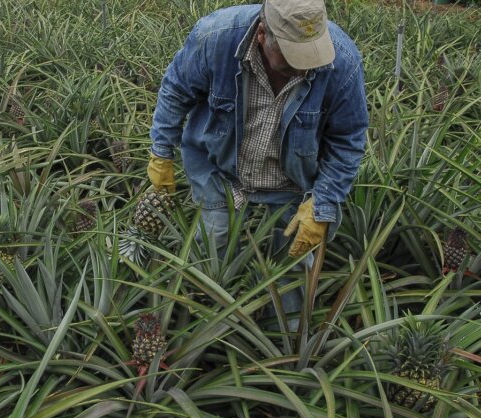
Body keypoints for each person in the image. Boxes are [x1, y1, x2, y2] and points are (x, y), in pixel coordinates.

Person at [147, 0, 369, 326]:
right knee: (212, 255)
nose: (306, 68)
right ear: (263, 34)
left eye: (311, 56)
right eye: (294, 59)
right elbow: (175, 90)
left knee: (292, 271)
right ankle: (205, 333)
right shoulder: (216, 37)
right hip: (219, 171)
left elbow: (348, 140)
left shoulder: (342, 62)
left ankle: (286, 347)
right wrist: (161, 152)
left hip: (290, 181)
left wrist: (323, 203)